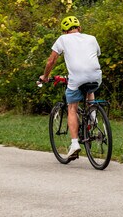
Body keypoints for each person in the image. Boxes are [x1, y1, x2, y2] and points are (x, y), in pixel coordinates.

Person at [39, 15, 102, 158]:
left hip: (77, 78)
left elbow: (51, 61)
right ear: (79, 28)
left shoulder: (62, 39)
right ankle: (93, 115)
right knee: (89, 88)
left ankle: (74, 144)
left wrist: (46, 77)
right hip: (96, 76)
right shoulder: (92, 38)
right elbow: (95, 55)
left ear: (64, 31)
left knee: (72, 108)